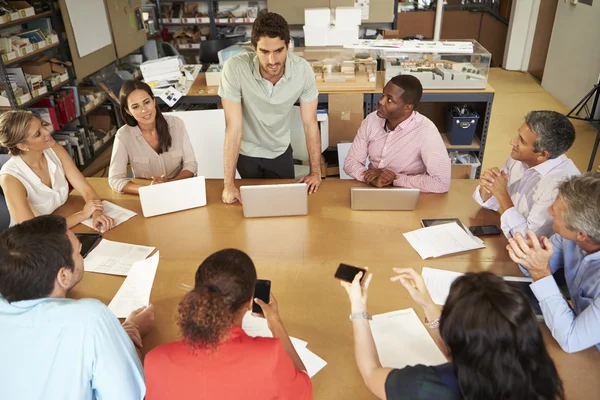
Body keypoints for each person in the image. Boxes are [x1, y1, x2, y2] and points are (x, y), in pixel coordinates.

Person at [341, 268, 564, 400]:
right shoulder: (538, 371)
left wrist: (358, 308)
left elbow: (371, 374)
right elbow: (457, 353)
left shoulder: (425, 386)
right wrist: (427, 304)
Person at [0, 215, 155, 400]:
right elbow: (132, 395)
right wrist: (130, 334)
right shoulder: (91, 319)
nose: (82, 257)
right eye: (79, 252)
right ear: (63, 276)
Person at [144, 248, 312, 400]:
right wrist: (275, 321)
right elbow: (303, 389)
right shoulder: (269, 359)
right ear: (249, 302)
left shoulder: (155, 360)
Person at [219, 12, 322, 203]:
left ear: (288, 45)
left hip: (280, 150)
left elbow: (310, 124)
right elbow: (233, 127)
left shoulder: (303, 70)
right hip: (246, 153)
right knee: (251, 208)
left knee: (284, 206)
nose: (272, 61)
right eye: (264, 52)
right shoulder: (234, 68)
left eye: (278, 51)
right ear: (254, 48)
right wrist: (228, 184)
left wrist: (315, 172)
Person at [507, 172, 600, 353]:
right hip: (572, 327)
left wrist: (540, 271)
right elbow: (531, 270)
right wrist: (527, 253)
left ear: (581, 234)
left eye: (555, 212)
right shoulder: (569, 238)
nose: (549, 210)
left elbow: (570, 341)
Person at [0, 110, 114, 231]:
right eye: (38, 134)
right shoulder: (10, 179)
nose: (47, 131)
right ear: (22, 146)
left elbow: (85, 189)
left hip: (63, 218)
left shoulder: (52, 148)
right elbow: (31, 230)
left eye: (42, 125)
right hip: (36, 240)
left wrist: (97, 213)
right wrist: (82, 215)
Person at [473, 110, 579, 238]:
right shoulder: (519, 158)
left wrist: (501, 194)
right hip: (508, 235)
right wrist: (489, 188)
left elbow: (528, 237)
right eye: (518, 135)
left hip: (533, 251)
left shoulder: (561, 185)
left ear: (542, 155)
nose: (513, 142)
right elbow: (491, 204)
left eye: (522, 141)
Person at [343, 75, 451, 193]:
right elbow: (351, 162)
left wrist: (395, 179)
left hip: (410, 193)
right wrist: (372, 178)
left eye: (389, 99)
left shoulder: (425, 131)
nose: (381, 101)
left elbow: (441, 183)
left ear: (407, 107)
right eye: (383, 94)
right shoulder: (371, 120)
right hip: (372, 189)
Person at [108, 80, 198, 194]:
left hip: (179, 189)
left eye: (146, 102)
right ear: (128, 111)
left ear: (154, 101)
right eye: (135, 107)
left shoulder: (177, 124)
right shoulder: (123, 136)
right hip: (147, 195)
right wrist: (147, 190)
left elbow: (191, 164)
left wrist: (172, 184)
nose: (144, 110)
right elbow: (115, 179)